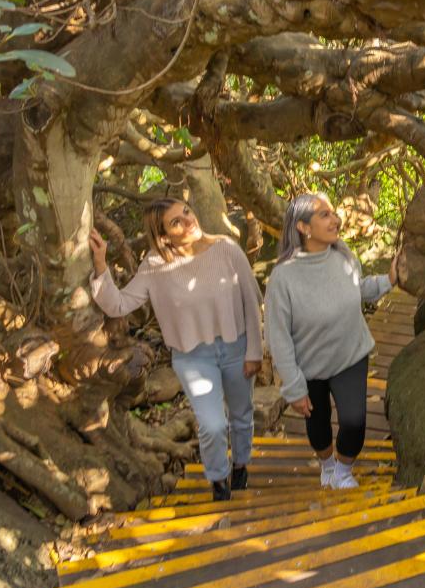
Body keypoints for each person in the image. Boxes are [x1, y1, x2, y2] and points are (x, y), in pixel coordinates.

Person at [87, 198, 263, 501]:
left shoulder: (226, 248)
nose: (188, 220)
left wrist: (255, 352)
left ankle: (241, 466)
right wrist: (101, 263)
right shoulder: (155, 266)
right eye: (176, 222)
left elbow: (251, 300)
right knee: (212, 425)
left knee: (241, 414)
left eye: (186, 212)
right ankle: (219, 483)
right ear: (163, 235)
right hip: (193, 358)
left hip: (237, 346)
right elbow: (119, 304)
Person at [265, 193, 396, 490]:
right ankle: (327, 465)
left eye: (333, 213)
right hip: (309, 366)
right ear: (303, 227)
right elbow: (278, 337)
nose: (335, 219)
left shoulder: (342, 254)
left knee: (354, 421)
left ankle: (343, 471)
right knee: (318, 424)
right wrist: (293, 387)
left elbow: (358, 288)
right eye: (324, 215)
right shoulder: (283, 278)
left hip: (351, 354)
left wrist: (388, 281)